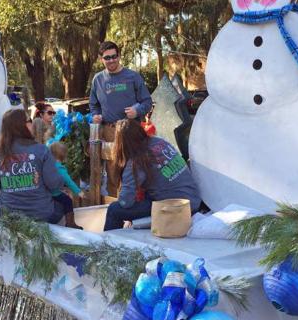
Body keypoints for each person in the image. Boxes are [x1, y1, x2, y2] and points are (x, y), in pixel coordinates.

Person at [0, 108, 65, 224]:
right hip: (41, 215)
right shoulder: (41, 150)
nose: (32, 124)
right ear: (21, 125)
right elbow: (54, 184)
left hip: (9, 216)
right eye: (29, 120)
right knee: (64, 205)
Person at [103, 119, 201, 231]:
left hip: (177, 208)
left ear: (121, 142)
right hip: (193, 200)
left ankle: (107, 245)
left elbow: (125, 202)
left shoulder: (136, 161)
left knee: (114, 210)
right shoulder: (160, 142)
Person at [89, 40, 153, 195]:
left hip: (131, 131)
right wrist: (95, 116)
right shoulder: (97, 80)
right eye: (107, 58)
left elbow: (147, 102)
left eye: (114, 56)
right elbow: (93, 105)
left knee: (134, 170)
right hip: (109, 131)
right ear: (101, 59)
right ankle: (115, 207)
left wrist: (137, 110)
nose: (111, 60)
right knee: (112, 172)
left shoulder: (133, 76)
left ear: (119, 56)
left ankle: (135, 206)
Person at [49, 141, 84, 229]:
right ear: (63, 156)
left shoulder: (48, 165)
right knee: (67, 200)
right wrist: (78, 192)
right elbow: (68, 181)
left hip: (47, 192)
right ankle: (70, 223)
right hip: (55, 193)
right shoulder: (59, 168)